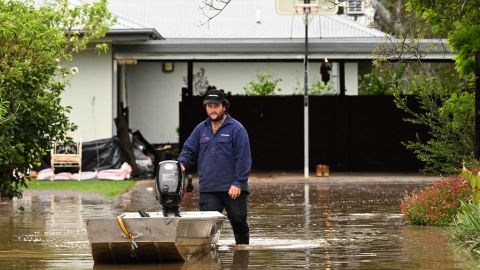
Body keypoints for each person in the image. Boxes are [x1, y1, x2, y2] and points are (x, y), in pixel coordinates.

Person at [178, 89, 252, 245]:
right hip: (208, 188)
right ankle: (209, 259)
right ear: (206, 108)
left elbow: (243, 158)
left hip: (233, 190)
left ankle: (242, 255)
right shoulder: (200, 129)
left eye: (216, 106)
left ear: (224, 107)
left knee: (239, 224)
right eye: (209, 106)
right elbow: (189, 149)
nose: (213, 110)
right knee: (207, 228)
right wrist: (182, 163)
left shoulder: (237, 129)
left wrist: (238, 183)